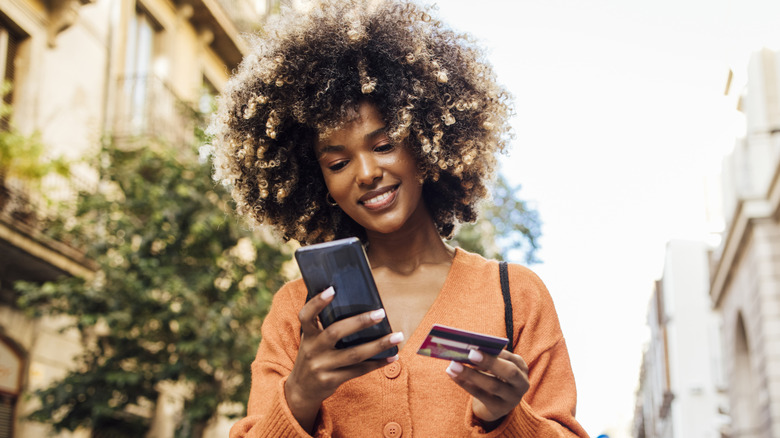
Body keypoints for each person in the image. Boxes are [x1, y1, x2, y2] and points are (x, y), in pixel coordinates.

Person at [209, 0, 589, 436]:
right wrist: (299, 396)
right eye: (337, 163)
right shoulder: (299, 311)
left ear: (427, 146)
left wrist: (506, 419)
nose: (367, 173)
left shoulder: (515, 295)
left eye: (384, 145)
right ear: (320, 185)